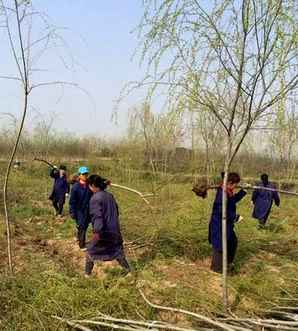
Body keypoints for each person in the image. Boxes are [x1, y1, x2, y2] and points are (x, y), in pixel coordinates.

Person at [85, 175, 130, 277]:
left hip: (103, 232)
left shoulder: (95, 199)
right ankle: (128, 271)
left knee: (90, 252)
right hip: (114, 230)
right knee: (117, 251)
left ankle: (87, 275)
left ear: (92, 185)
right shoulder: (109, 196)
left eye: (89, 185)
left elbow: (97, 217)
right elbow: (116, 212)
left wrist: (97, 232)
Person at [208, 172, 246, 273]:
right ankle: (217, 270)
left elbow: (232, 201)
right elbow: (221, 210)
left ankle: (228, 263)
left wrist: (243, 191)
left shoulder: (228, 191)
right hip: (219, 224)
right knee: (219, 245)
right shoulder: (222, 193)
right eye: (235, 184)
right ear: (229, 182)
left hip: (227, 224)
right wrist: (235, 217)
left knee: (232, 242)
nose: (235, 187)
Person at [69, 166, 92, 249]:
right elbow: (72, 201)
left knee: (85, 226)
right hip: (79, 210)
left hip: (88, 210)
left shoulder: (90, 184)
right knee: (82, 226)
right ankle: (82, 245)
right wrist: (72, 211)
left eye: (86, 174)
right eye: (83, 174)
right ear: (79, 175)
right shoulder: (76, 187)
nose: (85, 175)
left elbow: (98, 181)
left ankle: (79, 237)